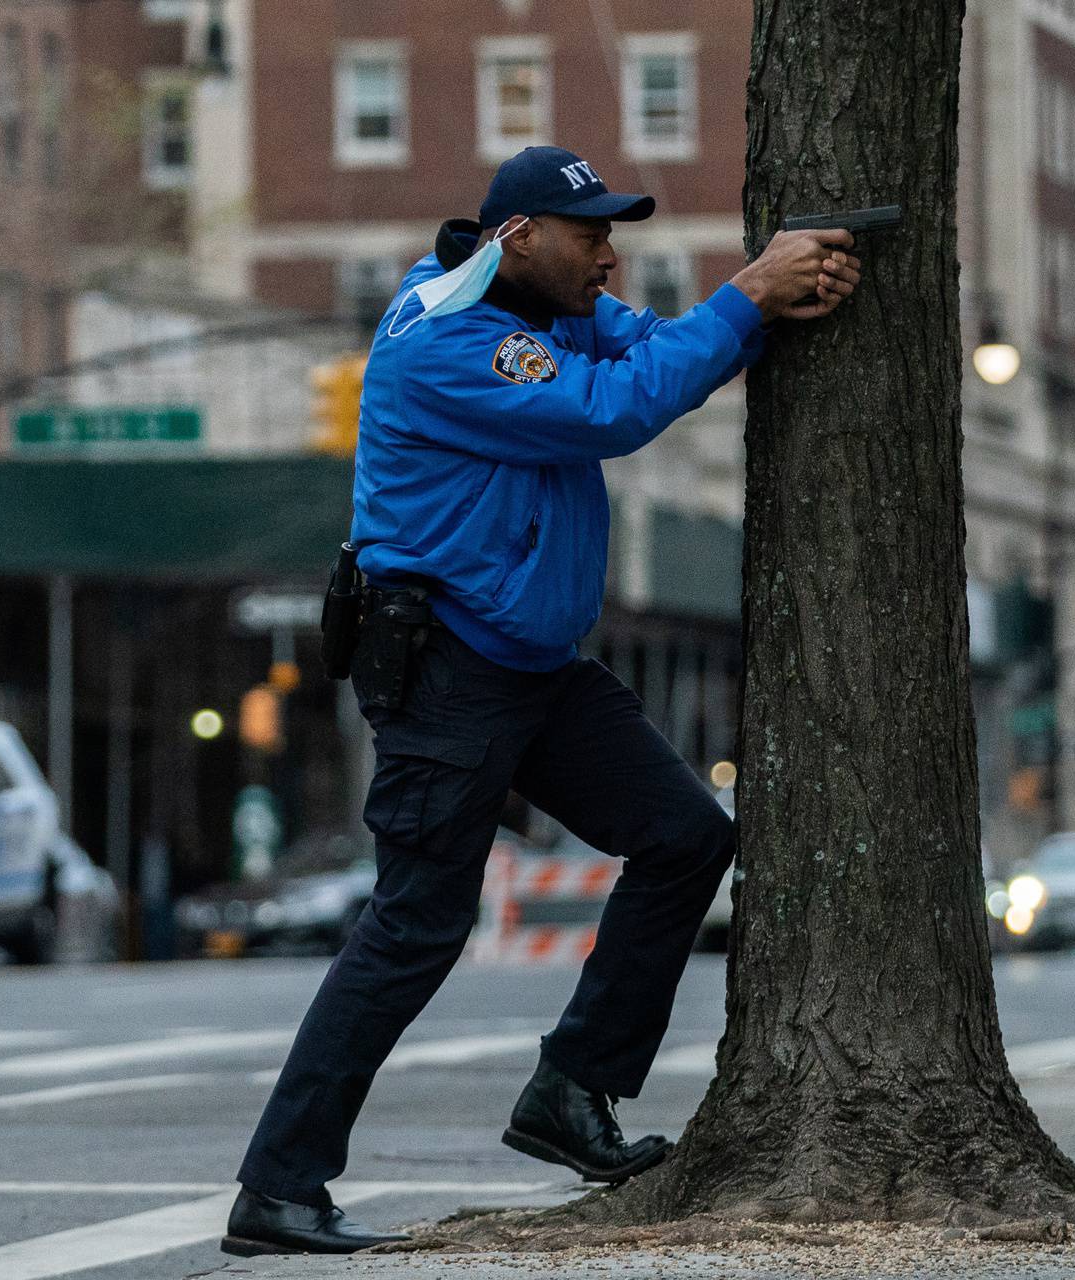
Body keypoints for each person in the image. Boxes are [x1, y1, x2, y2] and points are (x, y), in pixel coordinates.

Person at [221, 145, 862, 1257]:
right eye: (592, 235)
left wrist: (769, 305)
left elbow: (661, 355)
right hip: (449, 668)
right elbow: (617, 410)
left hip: (531, 661)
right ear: (521, 236)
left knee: (683, 835)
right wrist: (749, 288)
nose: (610, 255)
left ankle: (571, 1087)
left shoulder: (561, 308)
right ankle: (276, 1186)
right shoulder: (449, 340)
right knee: (417, 923)